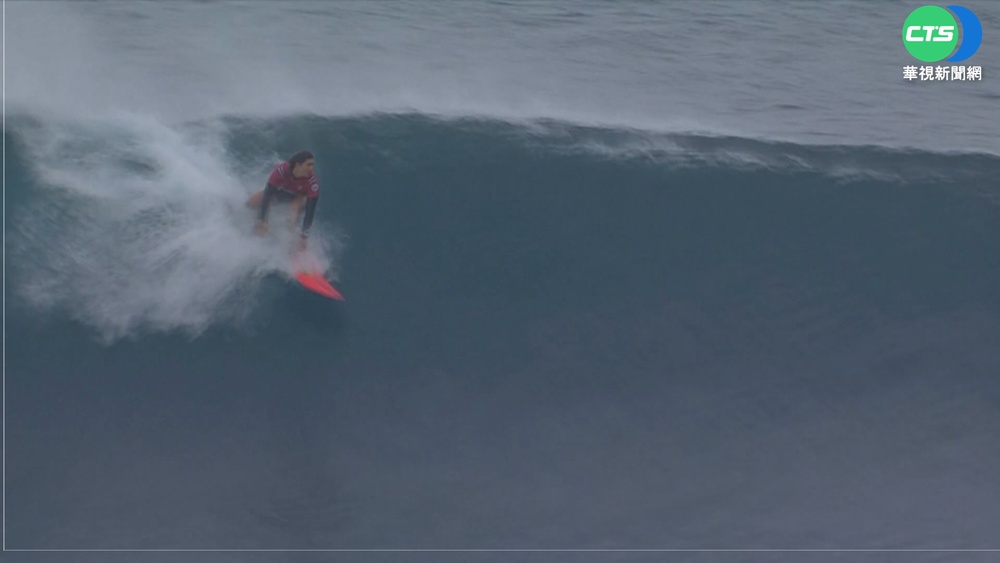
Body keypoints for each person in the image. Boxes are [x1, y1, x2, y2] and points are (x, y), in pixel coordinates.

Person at [245, 150, 320, 251]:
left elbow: (310, 210)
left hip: (299, 198)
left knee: (293, 210)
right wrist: (262, 219)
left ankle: (293, 243)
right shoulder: (282, 171)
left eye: (313, 165)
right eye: (308, 165)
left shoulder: (312, 181)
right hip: (281, 193)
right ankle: (256, 224)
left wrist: (304, 236)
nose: (311, 168)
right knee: (250, 204)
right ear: (298, 165)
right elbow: (268, 194)